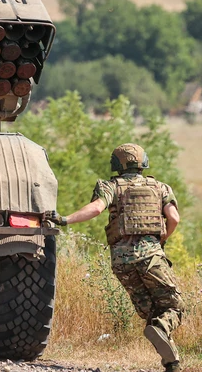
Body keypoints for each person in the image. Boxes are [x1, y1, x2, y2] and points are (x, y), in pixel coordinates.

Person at [44, 143, 184, 372]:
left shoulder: (111, 187)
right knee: (175, 307)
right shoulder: (160, 187)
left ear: (116, 164)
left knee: (151, 311)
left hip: (121, 262)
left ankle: (172, 363)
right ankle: (165, 340)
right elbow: (174, 218)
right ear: (144, 162)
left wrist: (65, 219)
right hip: (151, 258)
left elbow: (97, 209)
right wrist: (161, 240)